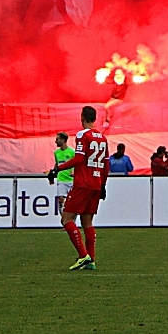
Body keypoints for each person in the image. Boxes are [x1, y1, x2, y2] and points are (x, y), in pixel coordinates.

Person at [48, 106, 108, 271]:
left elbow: (79, 158)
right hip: (96, 184)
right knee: (87, 222)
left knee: (66, 219)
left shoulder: (83, 135)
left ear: (82, 117)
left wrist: (57, 169)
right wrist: (103, 184)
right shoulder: (102, 137)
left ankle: (83, 256)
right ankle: (92, 260)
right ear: (94, 118)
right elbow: (106, 164)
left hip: (83, 183)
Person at [53, 132, 75, 214]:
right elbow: (57, 164)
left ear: (63, 140)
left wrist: (74, 171)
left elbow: (78, 163)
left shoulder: (72, 152)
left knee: (72, 202)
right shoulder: (56, 153)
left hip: (71, 180)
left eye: (57, 139)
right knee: (61, 199)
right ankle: (64, 221)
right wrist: (53, 173)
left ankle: (72, 221)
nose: (56, 141)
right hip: (61, 179)